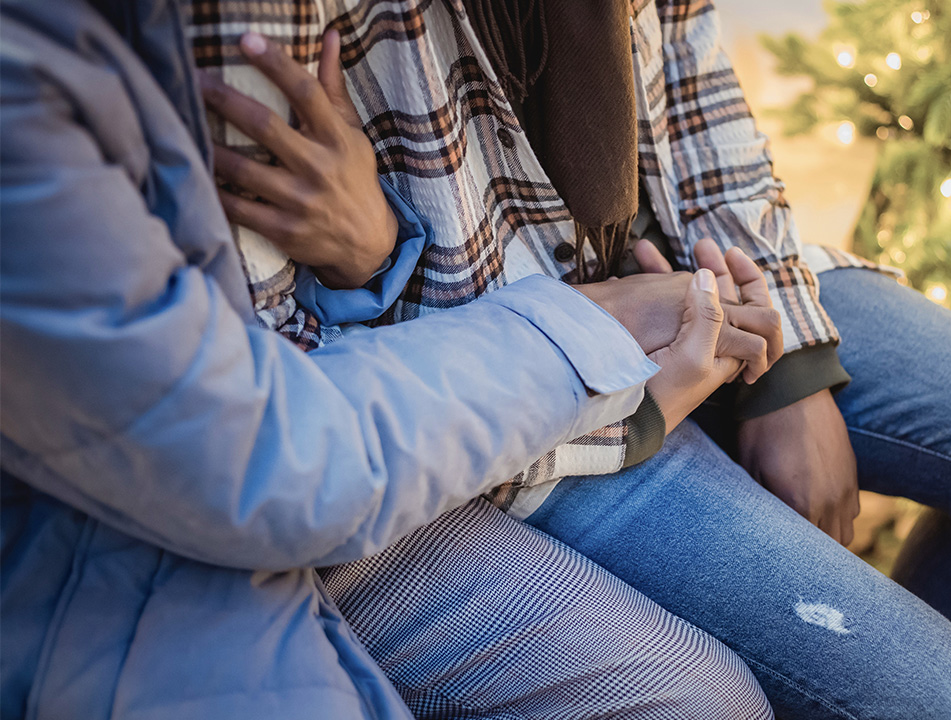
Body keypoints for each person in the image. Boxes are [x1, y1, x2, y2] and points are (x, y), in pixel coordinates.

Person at [195, 1, 951, 718]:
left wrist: (789, 363)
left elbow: (692, 82)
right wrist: (627, 396)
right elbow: (307, 395)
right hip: (517, 369)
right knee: (948, 707)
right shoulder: (248, 30)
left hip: (675, 276)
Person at [0, 0, 785, 717]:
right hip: (355, 455)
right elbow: (266, 443)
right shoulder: (40, 78)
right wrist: (596, 350)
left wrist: (375, 252)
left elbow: (236, 320)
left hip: (456, 381)